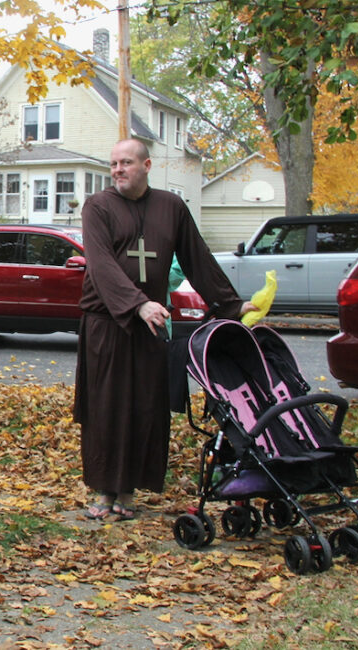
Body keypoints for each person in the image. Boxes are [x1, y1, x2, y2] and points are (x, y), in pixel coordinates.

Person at [74, 139, 255, 521]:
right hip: (107, 325)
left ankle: (129, 490)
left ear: (147, 165)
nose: (118, 169)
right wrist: (137, 303)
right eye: (113, 163)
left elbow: (197, 257)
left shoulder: (171, 207)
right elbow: (101, 265)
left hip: (151, 325)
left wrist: (233, 305)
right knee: (106, 407)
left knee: (145, 408)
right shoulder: (98, 207)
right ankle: (104, 491)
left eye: (126, 162)